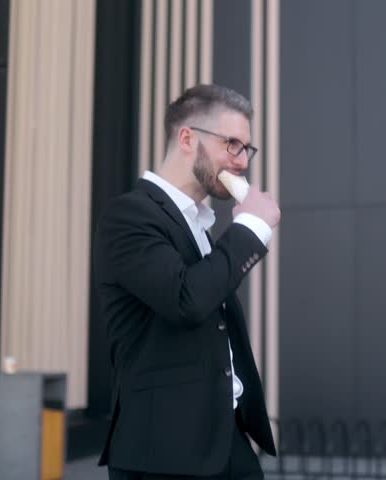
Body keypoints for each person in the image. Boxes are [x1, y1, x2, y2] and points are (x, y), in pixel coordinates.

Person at [94, 84, 280, 480]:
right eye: (232, 144)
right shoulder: (129, 216)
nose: (243, 161)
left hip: (226, 443)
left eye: (247, 148)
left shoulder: (202, 227)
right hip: (164, 454)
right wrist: (250, 226)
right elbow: (186, 299)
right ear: (187, 138)